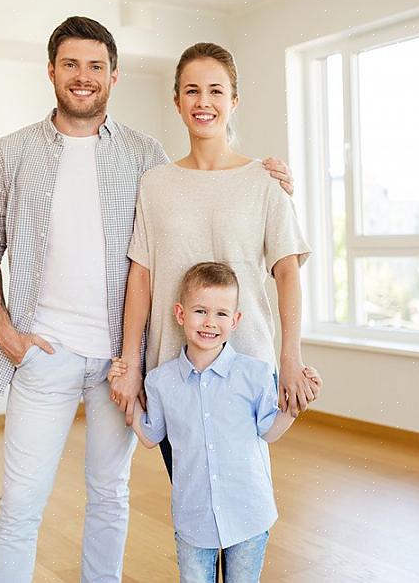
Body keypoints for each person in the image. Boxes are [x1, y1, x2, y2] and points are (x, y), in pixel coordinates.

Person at [0, 18, 296, 582]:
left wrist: (272, 175)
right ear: (51, 71)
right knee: (19, 507)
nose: (83, 77)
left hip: (121, 364)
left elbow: (206, 184)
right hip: (43, 356)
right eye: (70, 64)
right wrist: (5, 333)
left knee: (110, 498)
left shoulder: (145, 156)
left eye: (96, 66)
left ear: (114, 76)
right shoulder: (10, 152)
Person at [109, 44, 319, 469]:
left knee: (241, 508)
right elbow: (142, 279)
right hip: (172, 372)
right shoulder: (155, 185)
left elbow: (287, 272)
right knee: (193, 515)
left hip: (246, 369)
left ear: (234, 101)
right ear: (177, 102)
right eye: (192, 91)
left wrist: (290, 355)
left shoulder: (264, 181)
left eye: (216, 91)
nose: (203, 102)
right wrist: (131, 362)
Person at [109, 262, 321, 582]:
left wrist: (294, 407)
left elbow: (269, 431)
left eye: (222, 314)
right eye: (200, 311)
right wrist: (121, 390)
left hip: (249, 515)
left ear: (235, 321)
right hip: (193, 521)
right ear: (180, 314)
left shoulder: (255, 374)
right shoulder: (160, 382)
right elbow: (151, 436)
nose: (210, 322)